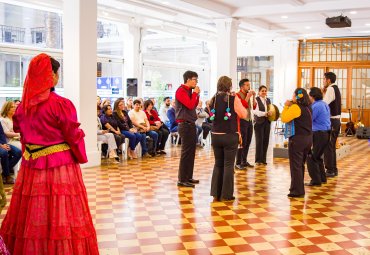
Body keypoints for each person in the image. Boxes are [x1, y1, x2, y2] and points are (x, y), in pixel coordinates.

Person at [0, 53, 99, 254]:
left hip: (31, 164)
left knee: (33, 209)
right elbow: (72, 134)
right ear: (51, 75)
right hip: (59, 164)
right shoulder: (61, 104)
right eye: (56, 73)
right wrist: (80, 146)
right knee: (60, 208)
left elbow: (22, 133)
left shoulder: (22, 108)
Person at [210, 76, 247, 201]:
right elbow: (244, 114)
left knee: (218, 164)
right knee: (228, 165)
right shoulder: (233, 98)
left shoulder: (213, 99)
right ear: (229, 86)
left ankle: (216, 193)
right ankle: (227, 195)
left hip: (215, 136)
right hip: (229, 135)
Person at [281, 88, 312, 198]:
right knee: (300, 165)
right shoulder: (308, 107)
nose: (292, 97)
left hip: (298, 140)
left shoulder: (295, 107)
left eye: (293, 95)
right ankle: (298, 188)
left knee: (295, 166)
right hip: (308, 139)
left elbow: (284, 118)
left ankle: (297, 191)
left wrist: (285, 106)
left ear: (297, 97)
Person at [175, 70, 200, 188]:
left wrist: (196, 94)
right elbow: (189, 105)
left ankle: (188, 176)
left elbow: (193, 106)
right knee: (186, 153)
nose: (196, 82)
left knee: (191, 152)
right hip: (184, 124)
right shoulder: (181, 91)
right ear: (188, 79)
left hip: (191, 123)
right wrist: (195, 94)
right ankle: (182, 179)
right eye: (195, 79)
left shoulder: (189, 91)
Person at [306, 87, 331, 186]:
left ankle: (316, 181)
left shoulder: (316, 106)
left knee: (311, 157)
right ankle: (322, 178)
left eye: (309, 95)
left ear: (312, 96)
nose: (308, 97)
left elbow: (309, 119)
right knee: (317, 157)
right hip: (325, 132)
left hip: (319, 133)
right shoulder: (324, 104)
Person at [323, 72, 341, 177]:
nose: (323, 81)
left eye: (324, 79)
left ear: (328, 80)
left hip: (332, 121)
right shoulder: (336, 88)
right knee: (331, 146)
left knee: (328, 146)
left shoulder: (330, 89)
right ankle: (333, 169)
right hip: (336, 121)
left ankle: (330, 170)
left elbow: (324, 104)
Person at [235, 79, 256, 169]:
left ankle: (244, 161)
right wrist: (248, 96)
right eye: (247, 85)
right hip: (242, 120)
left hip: (249, 120)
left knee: (248, 141)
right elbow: (242, 106)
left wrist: (253, 97)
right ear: (242, 86)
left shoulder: (248, 95)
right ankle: (238, 162)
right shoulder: (237, 95)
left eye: (249, 85)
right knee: (242, 142)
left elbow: (254, 106)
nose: (249, 87)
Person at [253, 85, 272, 165]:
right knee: (259, 141)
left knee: (266, 141)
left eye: (265, 91)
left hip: (267, 123)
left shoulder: (268, 100)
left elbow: (270, 109)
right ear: (259, 92)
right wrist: (265, 113)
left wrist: (271, 113)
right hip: (259, 123)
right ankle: (258, 160)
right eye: (262, 91)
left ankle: (263, 159)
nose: (264, 92)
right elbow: (255, 111)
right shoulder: (256, 100)